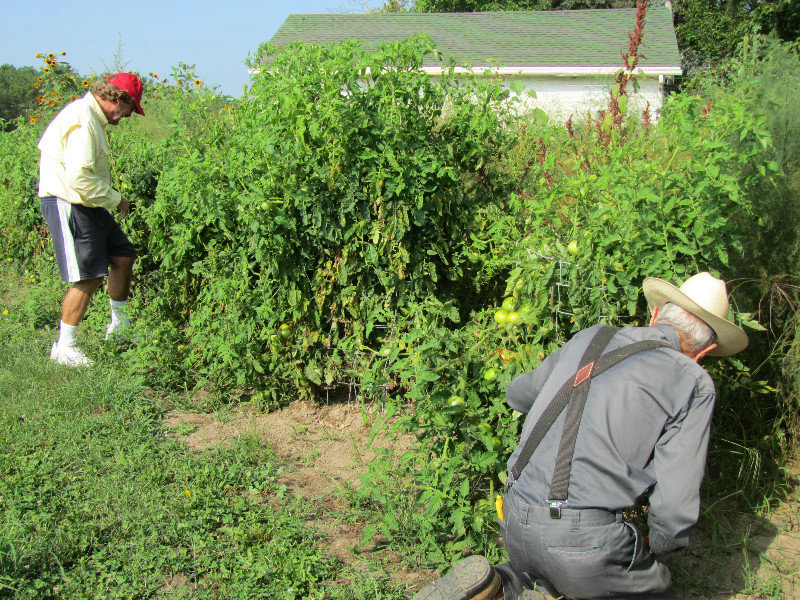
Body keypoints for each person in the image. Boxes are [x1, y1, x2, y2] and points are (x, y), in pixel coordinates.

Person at [412, 272, 749, 600]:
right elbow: (676, 504)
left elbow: (518, 394)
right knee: (646, 588)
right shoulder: (693, 381)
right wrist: (657, 547)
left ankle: (503, 584)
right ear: (705, 352)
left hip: (514, 515)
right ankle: (561, 585)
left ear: (656, 313)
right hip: (586, 540)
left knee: (551, 568)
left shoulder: (593, 335)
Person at [37, 72, 145, 366]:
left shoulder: (90, 117)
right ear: (117, 99)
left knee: (122, 255)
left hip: (87, 203)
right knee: (88, 274)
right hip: (69, 202)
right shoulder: (84, 121)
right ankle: (65, 348)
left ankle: (120, 328)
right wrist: (117, 200)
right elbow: (80, 181)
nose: (128, 115)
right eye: (130, 108)